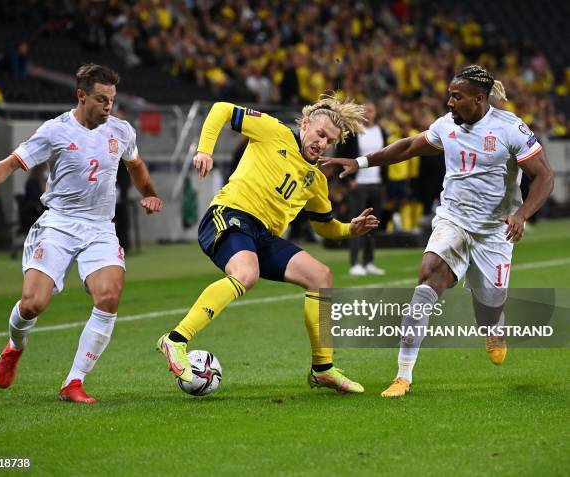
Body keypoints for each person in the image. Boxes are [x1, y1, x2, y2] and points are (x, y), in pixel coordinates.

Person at [322, 65, 554, 397]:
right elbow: (408, 147)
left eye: (456, 97)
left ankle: (493, 326)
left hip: (494, 231)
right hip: (453, 219)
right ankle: (403, 376)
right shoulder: (447, 126)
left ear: (478, 99)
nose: (449, 102)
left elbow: (545, 176)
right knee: (428, 278)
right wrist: (361, 162)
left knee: (490, 304)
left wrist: (522, 214)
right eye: (448, 95)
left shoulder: (510, 128)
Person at [157, 94, 379, 393]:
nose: (323, 143)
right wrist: (204, 150)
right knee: (245, 275)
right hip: (229, 214)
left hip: (262, 235)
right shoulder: (273, 131)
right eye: (320, 134)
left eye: (330, 141)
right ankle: (175, 340)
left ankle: (322, 369)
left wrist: (350, 229)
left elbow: (325, 227)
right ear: (304, 125)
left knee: (321, 277)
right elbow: (221, 109)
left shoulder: (315, 179)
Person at [0, 63, 162, 403]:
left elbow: (136, 165)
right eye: (101, 99)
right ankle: (15, 345)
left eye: (112, 100)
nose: (108, 107)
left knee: (109, 297)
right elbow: (13, 162)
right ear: (81, 95)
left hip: (100, 228)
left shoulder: (121, 131)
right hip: (59, 224)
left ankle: (73, 382)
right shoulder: (55, 131)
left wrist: (148, 192)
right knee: (33, 303)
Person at [336, 101, 387, 276]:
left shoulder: (381, 131)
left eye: (371, 110)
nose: (368, 113)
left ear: (376, 112)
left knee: (373, 224)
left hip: (377, 183)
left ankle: (369, 261)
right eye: (365, 111)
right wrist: (348, 180)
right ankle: (355, 262)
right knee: (357, 223)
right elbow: (342, 156)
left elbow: (386, 156)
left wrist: (384, 181)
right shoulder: (353, 133)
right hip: (359, 185)